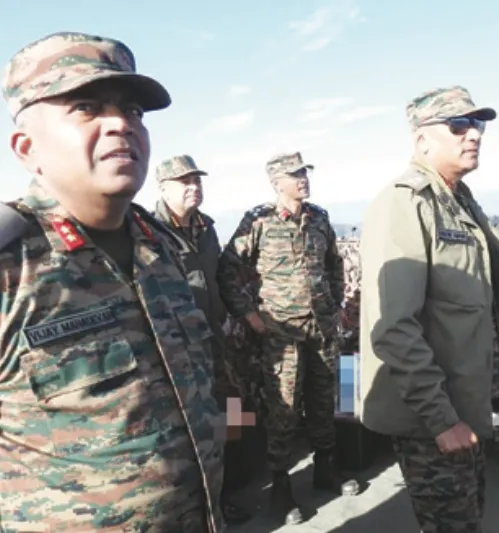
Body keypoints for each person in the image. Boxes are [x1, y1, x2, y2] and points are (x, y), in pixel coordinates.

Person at [0, 32, 225, 532]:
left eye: (133, 111)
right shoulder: (12, 266)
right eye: (85, 107)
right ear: (27, 148)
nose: (121, 124)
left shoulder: (160, 248)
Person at [359, 85, 499, 533]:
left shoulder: (459, 200)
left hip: (465, 405)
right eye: (458, 125)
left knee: (469, 517)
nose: (473, 134)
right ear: (422, 139)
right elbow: (393, 328)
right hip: (434, 418)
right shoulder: (404, 203)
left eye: (477, 124)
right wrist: (442, 421)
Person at [217, 151, 360, 525]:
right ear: (276, 182)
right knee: (283, 409)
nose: (302, 179)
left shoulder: (319, 218)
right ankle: (281, 486)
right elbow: (228, 270)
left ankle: (326, 469)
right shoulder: (258, 221)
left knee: (323, 400)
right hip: (281, 333)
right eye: (294, 175)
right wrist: (249, 314)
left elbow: (334, 263)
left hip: (321, 330)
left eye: (304, 173)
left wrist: (335, 304)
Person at [153, 154, 252, 525]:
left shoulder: (206, 227)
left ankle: (230, 490)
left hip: (216, 339)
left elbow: (220, 276)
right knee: (190, 428)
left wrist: (239, 315)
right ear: (164, 188)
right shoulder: (149, 231)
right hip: (177, 348)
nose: (193, 187)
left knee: (231, 411)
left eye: (197, 180)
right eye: (184, 182)